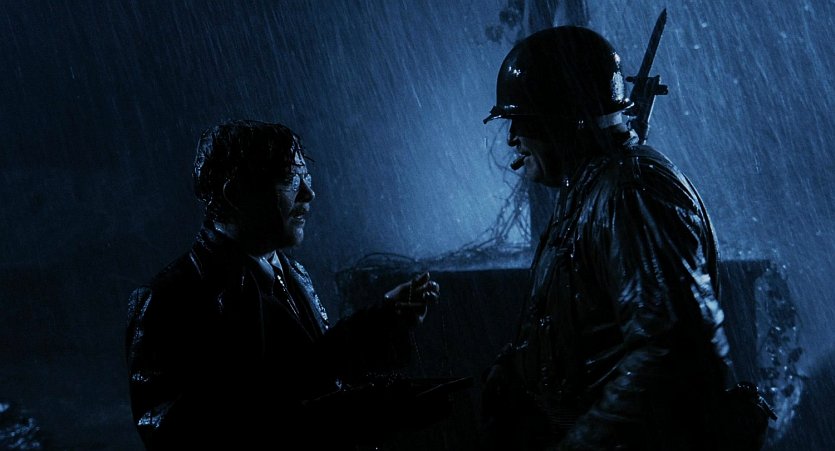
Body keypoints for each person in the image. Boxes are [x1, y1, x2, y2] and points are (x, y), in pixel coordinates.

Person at [480, 26, 769, 450]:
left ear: (566, 121)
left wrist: (582, 444)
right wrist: (515, 368)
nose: (512, 137)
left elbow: (671, 351)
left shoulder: (630, 194)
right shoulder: (593, 189)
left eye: (523, 120)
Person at [125, 120, 442, 450]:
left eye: (306, 176)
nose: (309, 193)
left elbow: (312, 378)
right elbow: (180, 434)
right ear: (235, 193)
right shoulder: (168, 299)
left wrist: (381, 326)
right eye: (289, 178)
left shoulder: (295, 275)